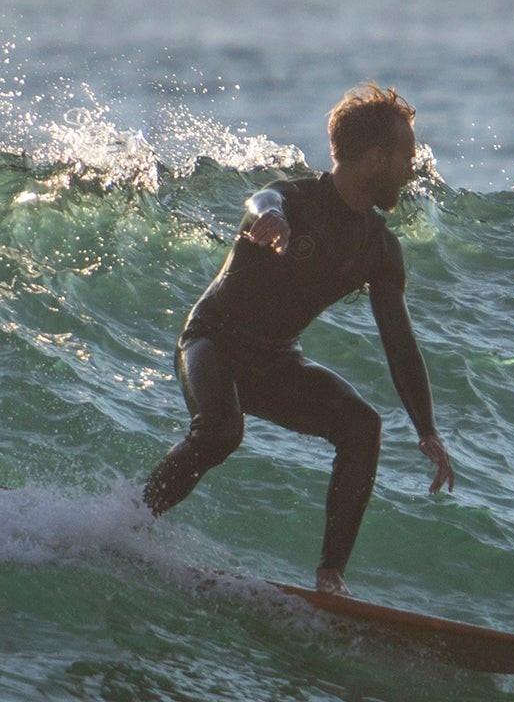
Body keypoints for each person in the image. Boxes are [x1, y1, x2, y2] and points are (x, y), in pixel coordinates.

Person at [143, 83, 454, 592]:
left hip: (272, 360)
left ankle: (330, 578)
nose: (410, 170)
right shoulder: (293, 201)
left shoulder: (380, 249)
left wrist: (427, 430)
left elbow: (399, 342)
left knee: (362, 426)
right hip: (213, 340)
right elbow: (262, 198)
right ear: (376, 158)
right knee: (220, 432)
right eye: (406, 157)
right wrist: (269, 218)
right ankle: (132, 521)